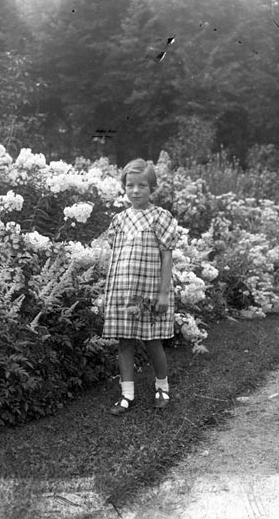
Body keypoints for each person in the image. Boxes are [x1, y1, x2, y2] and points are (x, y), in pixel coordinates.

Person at [102, 158, 177, 415]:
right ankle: (127, 394)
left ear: (151, 188)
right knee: (125, 341)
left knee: (152, 340)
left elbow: (166, 256)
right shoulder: (119, 220)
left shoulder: (161, 218)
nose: (136, 191)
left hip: (149, 289)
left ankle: (162, 386)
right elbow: (117, 257)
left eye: (142, 185)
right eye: (130, 185)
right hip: (124, 289)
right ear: (124, 187)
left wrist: (163, 293)